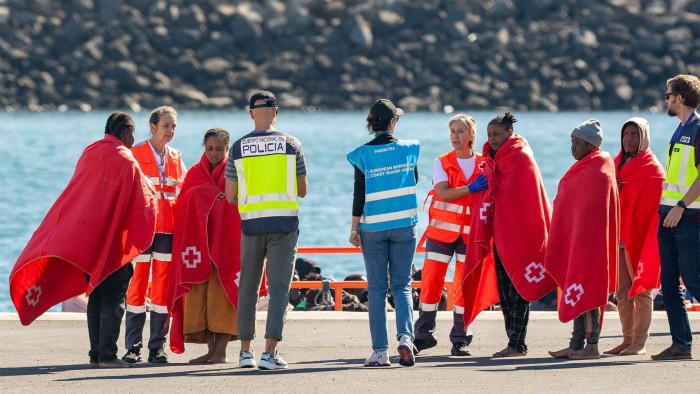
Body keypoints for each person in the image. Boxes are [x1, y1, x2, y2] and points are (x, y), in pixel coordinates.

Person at [9, 112, 157, 368]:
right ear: (125, 133)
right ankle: (108, 356)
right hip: (113, 244)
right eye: (132, 134)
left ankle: (96, 355)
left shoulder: (90, 152)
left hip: (89, 241)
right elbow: (143, 200)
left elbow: (81, 193)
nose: (134, 139)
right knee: (113, 296)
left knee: (96, 294)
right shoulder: (126, 158)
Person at [461, 112, 557, 358]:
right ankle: (513, 341)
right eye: (489, 135)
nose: (492, 139)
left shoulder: (521, 156)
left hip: (522, 235)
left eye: (496, 134)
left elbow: (527, 197)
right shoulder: (490, 159)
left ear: (509, 133)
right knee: (504, 290)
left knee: (520, 288)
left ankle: (518, 343)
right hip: (500, 233)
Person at [225, 90, 308, 370]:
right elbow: (303, 190)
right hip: (284, 225)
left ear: (250, 114)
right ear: (276, 112)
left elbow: (230, 195)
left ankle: (245, 353)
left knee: (247, 288)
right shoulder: (292, 144)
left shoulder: (237, 148)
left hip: (251, 225)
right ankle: (270, 353)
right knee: (279, 290)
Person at [347, 98, 419, 367]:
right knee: (402, 286)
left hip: (373, 228)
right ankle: (406, 338)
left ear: (371, 123)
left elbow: (359, 194)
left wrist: (354, 229)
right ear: (392, 122)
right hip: (404, 225)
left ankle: (380, 352)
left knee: (377, 289)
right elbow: (414, 179)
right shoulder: (410, 148)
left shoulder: (361, 154)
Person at [546, 119, 619, 360]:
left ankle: (592, 346)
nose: (573, 147)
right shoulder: (586, 165)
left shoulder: (599, 167)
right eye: (571, 142)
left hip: (592, 243)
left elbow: (594, 209)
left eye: (577, 142)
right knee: (575, 289)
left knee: (587, 291)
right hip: (578, 240)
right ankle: (576, 343)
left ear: (591, 144)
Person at [413, 114, 485, 357]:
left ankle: (461, 339)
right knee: (431, 282)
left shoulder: (485, 163)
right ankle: (423, 336)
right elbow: (443, 194)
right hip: (441, 233)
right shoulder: (441, 162)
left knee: (465, 287)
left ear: (472, 135)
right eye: (452, 131)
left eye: (461, 131)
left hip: (471, 235)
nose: (455, 135)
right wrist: (471, 189)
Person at [168, 128, 241, 363]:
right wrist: (209, 195)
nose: (214, 153)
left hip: (227, 246)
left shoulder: (235, 173)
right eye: (209, 149)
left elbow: (236, 205)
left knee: (223, 299)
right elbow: (184, 203)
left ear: (227, 149)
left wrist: (207, 196)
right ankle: (210, 351)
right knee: (202, 300)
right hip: (198, 247)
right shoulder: (195, 173)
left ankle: (221, 353)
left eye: (219, 149)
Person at [123, 106, 186, 364]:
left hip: (168, 232)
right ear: (152, 126)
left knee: (162, 289)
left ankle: (157, 348)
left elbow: (186, 190)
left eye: (173, 127)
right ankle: (133, 348)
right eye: (165, 126)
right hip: (142, 230)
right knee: (136, 287)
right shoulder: (134, 153)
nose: (170, 131)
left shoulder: (175, 156)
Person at [604, 118, 664, 356]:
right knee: (621, 292)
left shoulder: (652, 169)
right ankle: (627, 339)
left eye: (634, 135)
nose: (628, 139)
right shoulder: (614, 164)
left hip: (638, 235)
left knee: (641, 291)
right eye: (625, 135)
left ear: (644, 138)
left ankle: (639, 342)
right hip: (617, 236)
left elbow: (652, 206)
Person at [652, 74, 700, 361]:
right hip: (668, 216)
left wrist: (681, 205)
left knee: (694, 280)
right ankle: (681, 343)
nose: (666, 99)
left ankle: (681, 343)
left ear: (679, 98)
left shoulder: (697, 128)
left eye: (668, 95)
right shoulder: (680, 128)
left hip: (688, 217)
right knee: (668, 283)